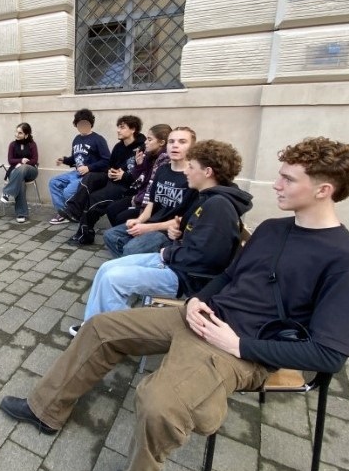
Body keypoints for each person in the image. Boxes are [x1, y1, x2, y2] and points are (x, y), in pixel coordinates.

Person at [0, 137, 349, 471]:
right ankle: (47, 409)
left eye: (287, 179)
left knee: (159, 400)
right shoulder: (274, 230)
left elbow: (329, 356)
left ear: (323, 190)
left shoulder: (347, 263)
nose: (276, 185)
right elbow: (229, 275)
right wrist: (197, 301)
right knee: (102, 328)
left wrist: (238, 344)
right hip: (203, 317)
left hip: (242, 351)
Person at [70, 140, 251, 336]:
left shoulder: (219, 206)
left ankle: (111, 335)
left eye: (191, 166)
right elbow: (199, 238)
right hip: (177, 262)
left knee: (113, 279)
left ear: (207, 172)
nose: (186, 171)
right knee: (107, 268)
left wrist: (169, 252)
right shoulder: (207, 198)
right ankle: (94, 326)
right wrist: (179, 233)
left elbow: (209, 259)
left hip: (187, 277)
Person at [104, 126, 197, 257]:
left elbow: (188, 219)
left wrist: (148, 228)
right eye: (171, 141)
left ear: (192, 147)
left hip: (170, 232)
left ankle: (131, 267)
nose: (175, 146)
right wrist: (140, 220)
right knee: (111, 235)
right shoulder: (162, 169)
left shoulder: (194, 176)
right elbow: (151, 203)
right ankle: (130, 267)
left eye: (182, 142)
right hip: (151, 222)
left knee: (131, 249)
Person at [60, 115, 146, 244]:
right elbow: (109, 165)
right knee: (90, 177)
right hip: (112, 179)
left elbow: (144, 174)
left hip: (127, 186)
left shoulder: (142, 148)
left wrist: (124, 176)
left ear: (133, 129)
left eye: (122, 127)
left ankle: (85, 234)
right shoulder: (118, 147)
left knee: (93, 199)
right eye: (118, 127)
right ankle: (74, 209)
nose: (118, 130)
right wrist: (110, 171)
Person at [48, 108, 110, 224]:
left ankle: (72, 212)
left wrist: (89, 168)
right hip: (76, 173)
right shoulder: (76, 139)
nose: (82, 126)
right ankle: (62, 213)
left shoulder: (98, 139)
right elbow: (75, 159)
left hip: (89, 176)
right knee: (53, 182)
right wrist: (65, 160)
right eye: (79, 124)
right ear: (76, 125)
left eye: (85, 123)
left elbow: (107, 160)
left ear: (90, 123)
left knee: (67, 192)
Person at [0, 122, 39, 223]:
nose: (17, 134)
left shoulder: (32, 144)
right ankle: (21, 213)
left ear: (26, 135)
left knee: (23, 168)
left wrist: (25, 163)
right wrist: (21, 160)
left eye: (20, 133)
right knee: (20, 181)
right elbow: (10, 160)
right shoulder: (12, 145)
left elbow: (34, 160)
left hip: (30, 171)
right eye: (16, 132)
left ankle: (7, 192)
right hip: (16, 172)